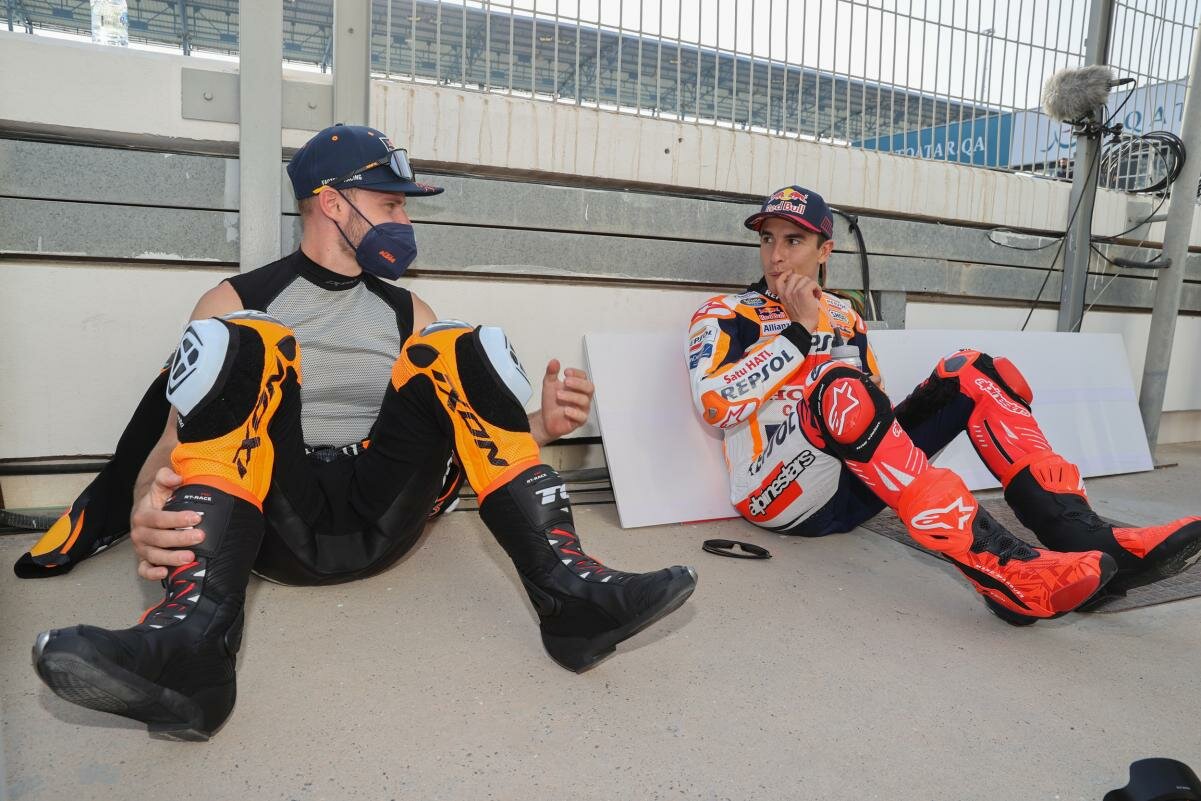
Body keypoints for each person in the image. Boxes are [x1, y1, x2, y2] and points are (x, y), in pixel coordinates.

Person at [23, 123, 697, 740]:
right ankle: (193, 652)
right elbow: (172, 444)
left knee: (459, 346)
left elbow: (462, 430)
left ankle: (572, 600)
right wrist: (147, 504)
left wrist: (544, 425)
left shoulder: (410, 310)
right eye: (392, 204)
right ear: (332, 203)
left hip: (383, 514)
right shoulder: (232, 301)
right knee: (247, 343)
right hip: (275, 520)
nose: (405, 221)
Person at [686, 184, 1200, 624]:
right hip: (775, 494)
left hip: (855, 489)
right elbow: (715, 406)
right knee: (837, 386)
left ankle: (1089, 540)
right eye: (767, 239)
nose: (776, 256)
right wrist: (799, 332)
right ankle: (1005, 571)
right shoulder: (725, 313)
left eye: (793, 240)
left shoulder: (844, 315)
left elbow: (870, 402)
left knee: (974, 370)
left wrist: (820, 328)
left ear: (825, 251)